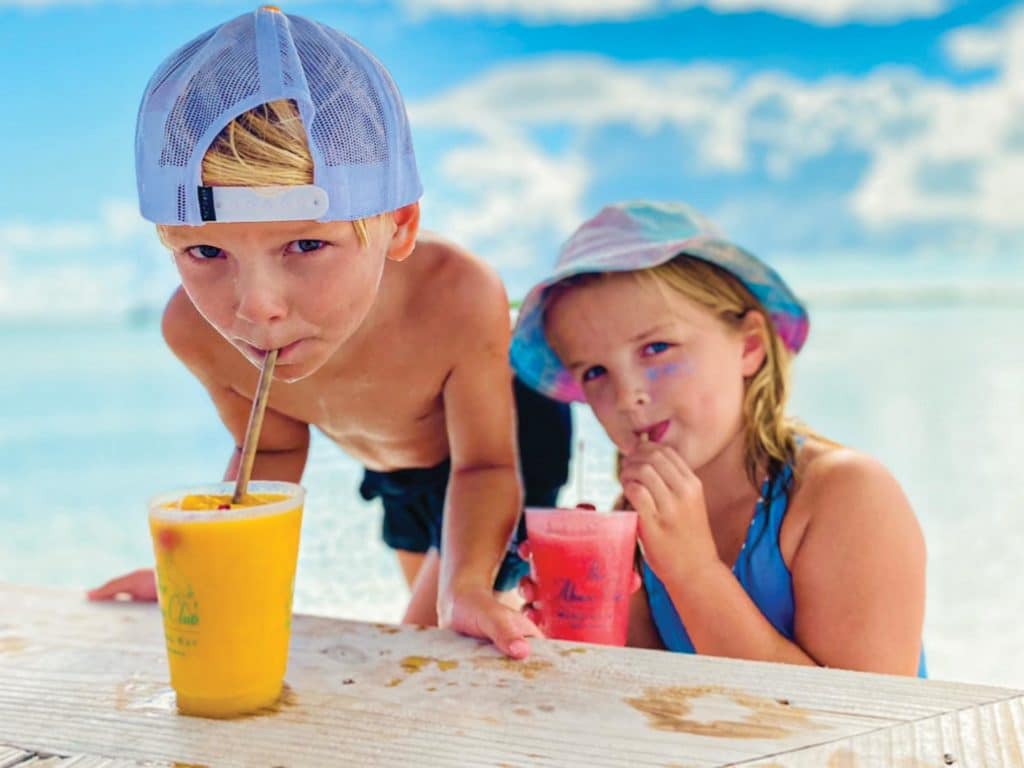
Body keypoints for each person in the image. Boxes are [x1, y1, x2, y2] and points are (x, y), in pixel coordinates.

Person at [87, 6, 572, 660]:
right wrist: (209, 577)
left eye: (306, 244)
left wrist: (467, 584)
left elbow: (484, 463)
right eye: (205, 253)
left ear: (398, 226)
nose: (256, 309)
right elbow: (275, 454)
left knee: (436, 632)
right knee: (436, 630)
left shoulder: (455, 295)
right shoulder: (194, 331)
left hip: (505, 441)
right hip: (394, 467)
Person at [511, 200, 926, 676]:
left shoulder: (845, 495)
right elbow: (652, 688)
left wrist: (692, 572)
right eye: (595, 371)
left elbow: (866, 717)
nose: (627, 396)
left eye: (656, 347)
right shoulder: (636, 515)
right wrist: (584, 616)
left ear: (748, 345)